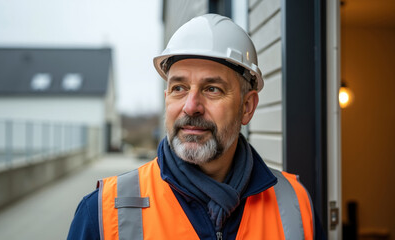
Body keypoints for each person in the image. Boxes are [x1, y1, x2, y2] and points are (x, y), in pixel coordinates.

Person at [67, 14, 315, 240]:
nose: (191, 106)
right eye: (179, 88)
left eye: (212, 89)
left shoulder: (295, 204)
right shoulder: (103, 213)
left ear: (247, 106)